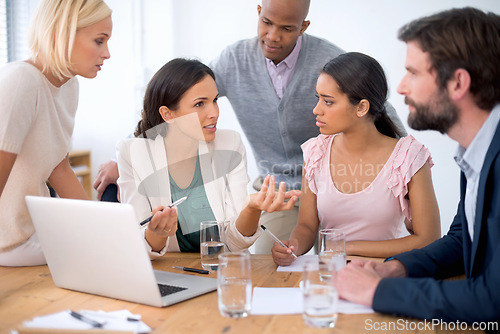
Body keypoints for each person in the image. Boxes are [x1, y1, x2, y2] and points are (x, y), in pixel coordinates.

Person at [93, 0, 407, 254]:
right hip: (278, 192)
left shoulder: (328, 61)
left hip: (335, 184)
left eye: (286, 28)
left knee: (348, 255)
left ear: (304, 27)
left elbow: (379, 110)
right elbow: (182, 95)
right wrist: (127, 152)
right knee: (270, 259)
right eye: (267, 23)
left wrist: (403, 168)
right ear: (258, 12)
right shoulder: (235, 61)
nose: (273, 36)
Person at [336, 7, 500, 323]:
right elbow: (462, 240)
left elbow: (493, 298)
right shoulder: (475, 150)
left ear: (457, 83)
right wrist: (395, 268)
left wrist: (374, 292)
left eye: (413, 72)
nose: (400, 87)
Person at [116, 58, 300, 257]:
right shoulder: (133, 153)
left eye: (215, 100)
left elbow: (234, 244)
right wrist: (157, 233)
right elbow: (138, 245)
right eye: (199, 104)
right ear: (167, 115)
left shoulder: (229, 144)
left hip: (220, 271)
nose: (214, 113)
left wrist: (252, 209)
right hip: (167, 274)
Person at [271, 52, 440, 265]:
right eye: (318, 99)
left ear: (361, 107)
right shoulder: (316, 153)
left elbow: (429, 240)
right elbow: (306, 226)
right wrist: (293, 245)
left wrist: (347, 248)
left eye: (328, 102)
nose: (316, 110)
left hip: (388, 275)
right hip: (332, 276)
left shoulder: (408, 157)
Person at [0, 0, 112, 267]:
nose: (107, 53)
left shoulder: (68, 84)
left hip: (35, 232)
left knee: (109, 248)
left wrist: (101, 227)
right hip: (9, 242)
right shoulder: (21, 81)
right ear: (61, 33)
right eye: (99, 41)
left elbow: (59, 169)